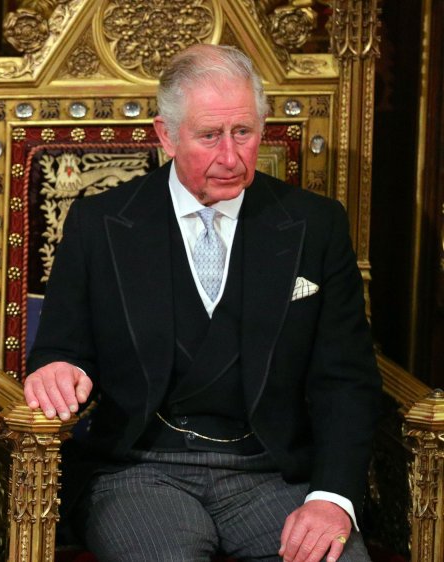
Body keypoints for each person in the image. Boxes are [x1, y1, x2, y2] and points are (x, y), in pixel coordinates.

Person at [23, 44, 380, 562]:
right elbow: (60, 348)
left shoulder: (315, 225)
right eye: (210, 136)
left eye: (245, 133)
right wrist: (56, 369)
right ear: (166, 134)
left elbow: (347, 379)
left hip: (273, 474)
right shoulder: (100, 223)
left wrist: (332, 499)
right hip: (141, 473)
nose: (231, 157)